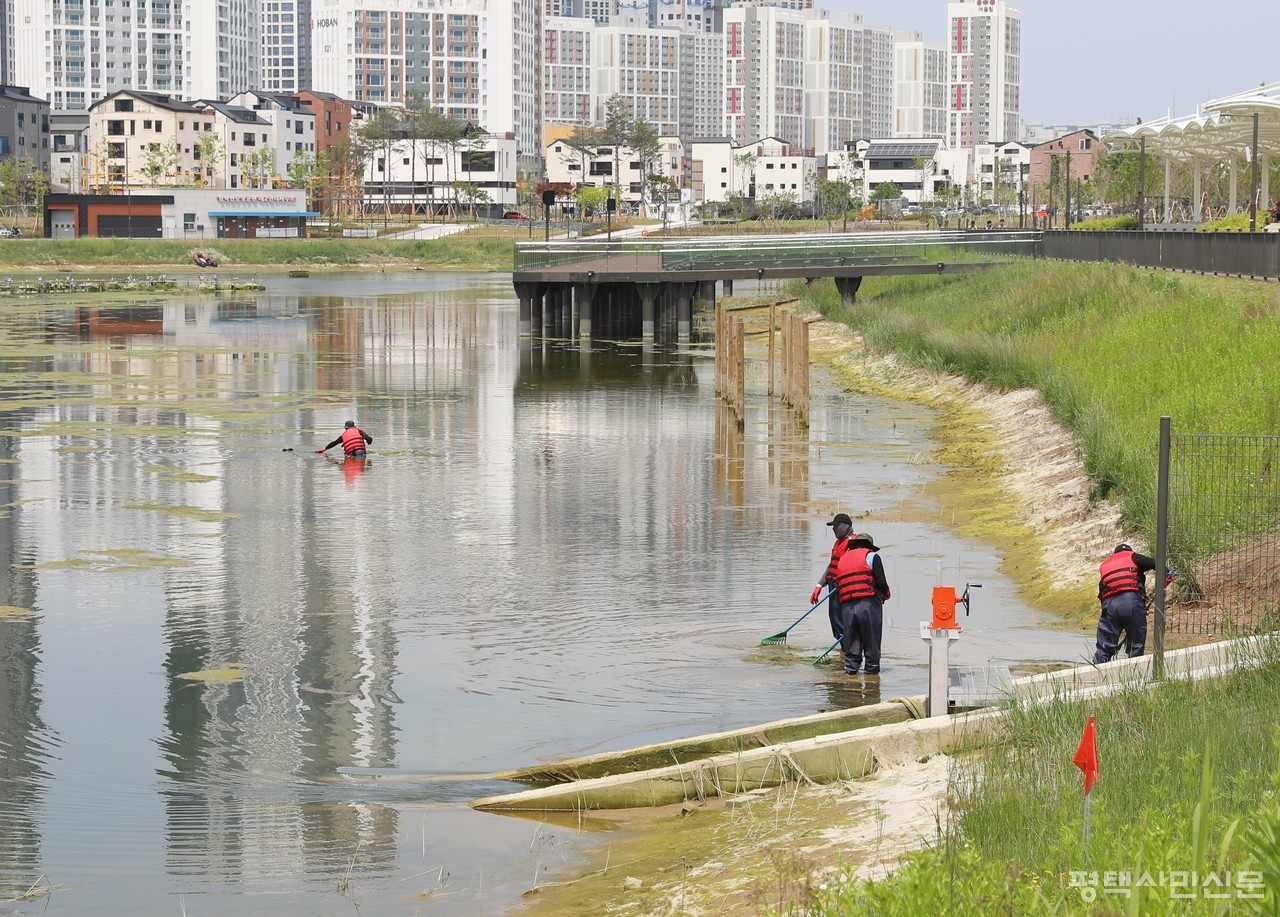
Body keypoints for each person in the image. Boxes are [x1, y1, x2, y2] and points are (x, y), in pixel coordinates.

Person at [834, 532, 890, 676]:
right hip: (868, 605)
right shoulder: (872, 557)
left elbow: (838, 585)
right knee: (872, 645)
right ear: (868, 546)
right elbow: (882, 582)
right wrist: (885, 593)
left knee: (852, 647)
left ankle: (851, 677)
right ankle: (872, 683)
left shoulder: (843, 559)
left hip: (847, 607)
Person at [1094, 543, 1160, 663]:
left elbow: (1101, 594)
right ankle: (1134, 672)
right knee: (1136, 643)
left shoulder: (1106, 565)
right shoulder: (1134, 557)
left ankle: (1098, 670)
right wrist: (1166, 574)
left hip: (1109, 605)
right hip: (1131, 602)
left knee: (1104, 645)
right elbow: (1156, 564)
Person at [811, 513, 854, 641]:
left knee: (843, 622)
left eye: (836, 526)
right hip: (832, 586)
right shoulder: (838, 544)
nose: (834, 529)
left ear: (845, 526)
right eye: (833, 526)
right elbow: (832, 565)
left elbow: (853, 567)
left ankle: (849, 651)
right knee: (835, 622)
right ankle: (843, 651)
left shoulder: (852, 544)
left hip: (844, 588)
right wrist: (819, 585)